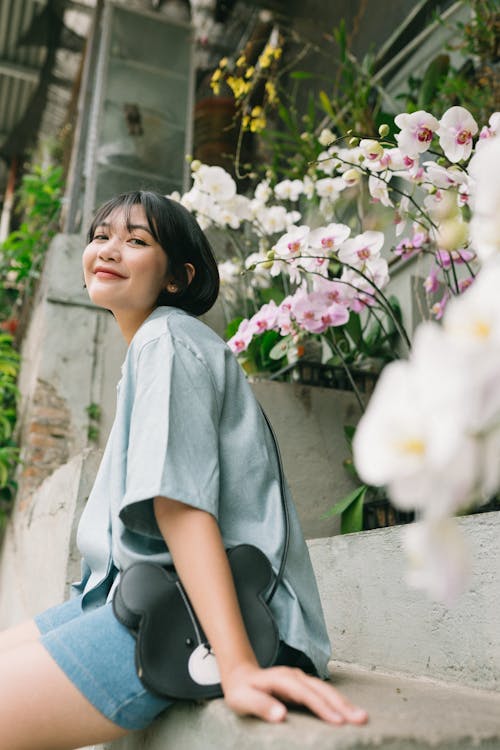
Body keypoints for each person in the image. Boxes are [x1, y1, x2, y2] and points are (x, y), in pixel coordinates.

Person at [0, 191, 368, 749]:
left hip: (216, 621)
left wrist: (237, 665)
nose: (109, 249)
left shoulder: (168, 340)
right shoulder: (155, 345)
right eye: (101, 237)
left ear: (176, 277)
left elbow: (180, 504)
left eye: (137, 240)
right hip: (141, 598)